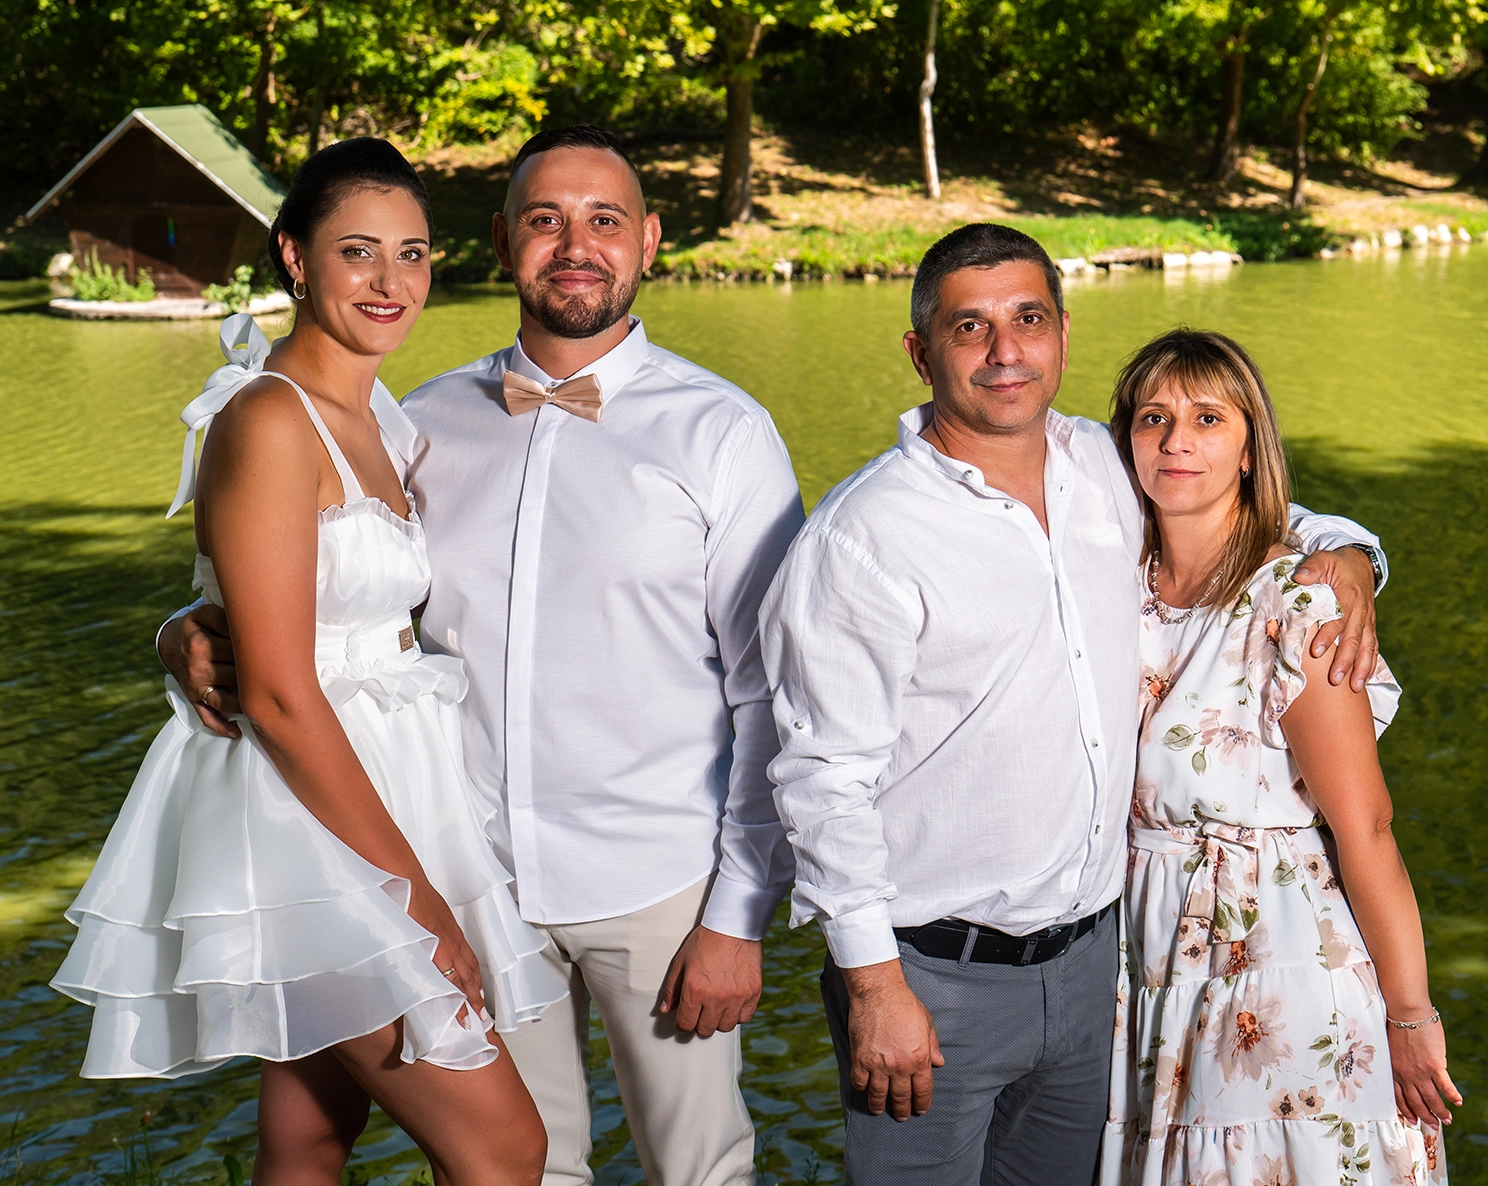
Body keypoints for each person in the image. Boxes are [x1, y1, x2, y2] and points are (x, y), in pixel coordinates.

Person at [160, 125, 805, 1186]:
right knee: (519, 1164)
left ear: (648, 242)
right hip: (468, 863)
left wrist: (739, 915)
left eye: (605, 221)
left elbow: (771, 695)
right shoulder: (415, 424)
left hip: (656, 880)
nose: (576, 246)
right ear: (504, 243)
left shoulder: (724, 433)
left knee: (700, 1169)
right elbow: (323, 594)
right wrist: (186, 629)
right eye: (546, 220)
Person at [759, 223, 1388, 1186]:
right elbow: (820, 778)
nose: (1004, 351)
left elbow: (1234, 501)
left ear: (1062, 333)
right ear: (921, 352)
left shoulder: (1104, 465)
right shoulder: (862, 536)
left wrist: (1348, 554)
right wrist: (874, 984)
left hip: (1101, 972)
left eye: (1028, 319)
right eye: (969, 327)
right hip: (933, 977)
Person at [54, 139, 563, 1185]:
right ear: (295, 256)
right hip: (304, 820)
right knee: (506, 1145)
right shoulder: (270, 418)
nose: (391, 282)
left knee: (311, 1133)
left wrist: (181, 623)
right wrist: (418, 902)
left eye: (413, 254)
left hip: (385, 791)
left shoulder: (378, 418)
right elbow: (283, 695)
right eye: (358, 251)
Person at [1100, 328, 1459, 1185]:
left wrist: (1411, 1015)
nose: (1176, 440)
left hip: (1276, 960)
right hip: (1145, 966)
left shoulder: (1296, 604)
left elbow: (1367, 827)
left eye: (1208, 419)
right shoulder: (1115, 587)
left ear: (1249, 449)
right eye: (1153, 418)